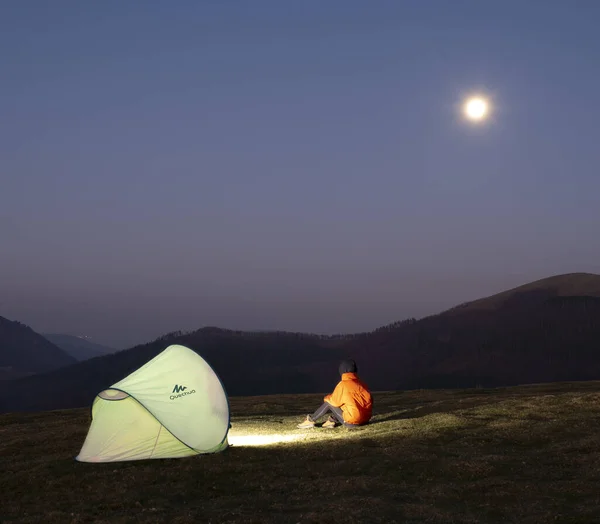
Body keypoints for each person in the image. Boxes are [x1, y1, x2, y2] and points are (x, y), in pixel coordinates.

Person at [297, 359, 372, 429]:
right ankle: (332, 420)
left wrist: (326, 398)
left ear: (343, 371)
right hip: (365, 420)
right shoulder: (362, 384)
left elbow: (334, 401)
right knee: (346, 404)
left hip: (352, 423)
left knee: (329, 403)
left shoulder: (343, 384)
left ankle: (310, 420)